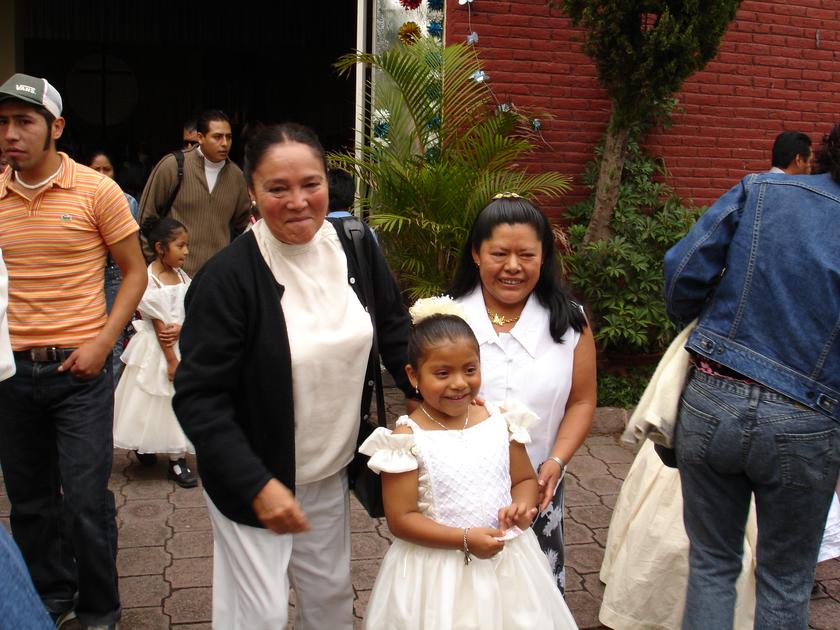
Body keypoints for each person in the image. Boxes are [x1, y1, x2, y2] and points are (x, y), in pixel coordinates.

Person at [172, 122, 418, 629]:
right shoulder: (227, 280)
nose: (298, 201)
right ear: (253, 194)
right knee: (257, 614)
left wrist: (434, 398)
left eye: (311, 184)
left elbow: (394, 332)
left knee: (328, 602)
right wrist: (257, 484)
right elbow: (199, 399)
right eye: (277, 188)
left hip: (329, 470)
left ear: (329, 182)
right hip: (255, 477)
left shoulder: (354, 246)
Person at [662, 123, 840, 629]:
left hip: (713, 396)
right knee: (786, 580)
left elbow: (682, 270)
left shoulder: (762, 190)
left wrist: (706, 333)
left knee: (713, 565)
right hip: (809, 421)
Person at [0, 73, 146, 629]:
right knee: (30, 501)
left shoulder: (96, 191)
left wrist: (103, 341)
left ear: (55, 127)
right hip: (11, 373)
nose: (12, 134)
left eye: (25, 121)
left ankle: (100, 609)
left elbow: (133, 273)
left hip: (80, 371)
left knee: (86, 501)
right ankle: (50, 598)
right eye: (3, 123)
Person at [359, 302, 578, 629]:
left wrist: (521, 506)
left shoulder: (500, 419)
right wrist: (464, 538)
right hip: (436, 576)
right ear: (413, 375)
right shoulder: (405, 440)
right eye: (442, 373)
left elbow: (523, 480)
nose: (459, 383)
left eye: (470, 370)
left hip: (509, 563)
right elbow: (401, 518)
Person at [449, 193, 597, 592]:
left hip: (539, 491)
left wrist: (556, 460)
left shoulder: (569, 322)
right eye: (499, 253)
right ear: (476, 254)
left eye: (527, 255)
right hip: (457, 494)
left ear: (544, 257)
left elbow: (582, 401)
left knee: (534, 601)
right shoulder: (445, 318)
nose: (513, 267)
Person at [113, 216, 197, 487]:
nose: (186, 251)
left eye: (186, 246)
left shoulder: (182, 275)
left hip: (181, 344)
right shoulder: (150, 280)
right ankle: (154, 448)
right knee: (153, 399)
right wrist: (172, 360)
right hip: (158, 350)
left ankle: (176, 456)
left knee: (173, 403)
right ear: (161, 248)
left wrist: (183, 330)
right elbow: (160, 326)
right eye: (180, 246)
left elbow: (189, 311)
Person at [139, 109, 251, 276]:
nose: (225, 143)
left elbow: (244, 228)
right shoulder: (172, 166)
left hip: (216, 281)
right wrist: (158, 269)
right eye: (217, 137)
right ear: (200, 138)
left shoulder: (237, 177)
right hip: (173, 281)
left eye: (229, 137)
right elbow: (145, 220)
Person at [89, 150, 140, 384]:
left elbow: (131, 253)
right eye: (95, 169)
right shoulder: (79, 198)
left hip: (114, 274)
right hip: (87, 273)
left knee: (114, 339)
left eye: (106, 169)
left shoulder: (127, 201)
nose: (102, 174)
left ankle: (111, 396)